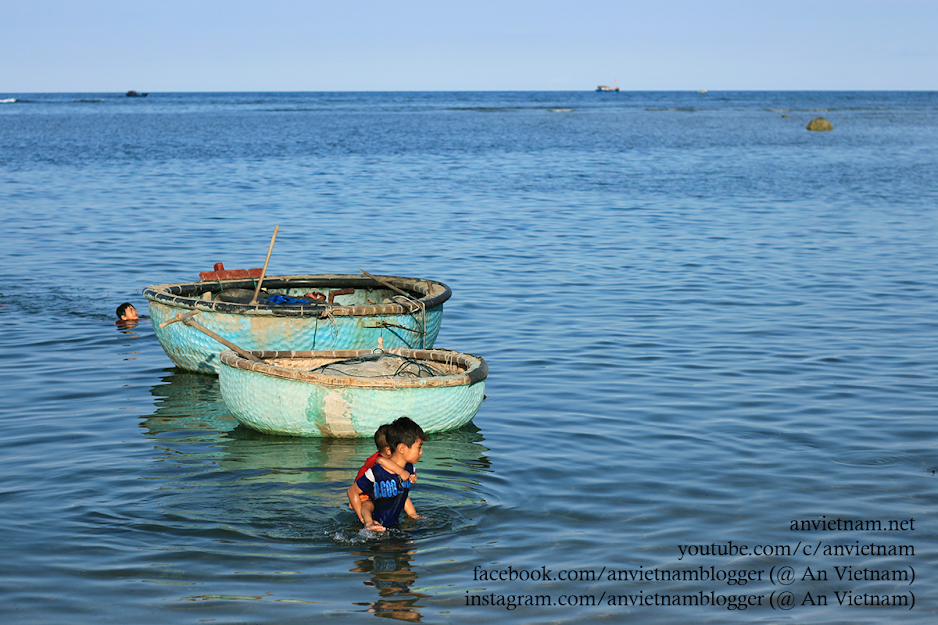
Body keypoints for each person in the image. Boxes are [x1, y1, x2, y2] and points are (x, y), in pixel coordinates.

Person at [348, 417, 425, 532]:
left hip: (393, 526)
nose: (421, 451)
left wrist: (414, 516)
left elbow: (403, 495)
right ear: (402, 448)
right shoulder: (376, 473)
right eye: (419, 447)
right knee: (368, 504)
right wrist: (365, 521)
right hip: (372, 527)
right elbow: (352, 491)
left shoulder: (410, 468)